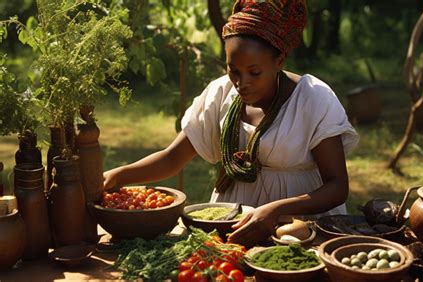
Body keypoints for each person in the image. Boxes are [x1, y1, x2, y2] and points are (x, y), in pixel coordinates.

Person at [103, 0, 359, 246]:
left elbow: (337, 187)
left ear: (279, 61)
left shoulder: (312, 99)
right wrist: (118, 175)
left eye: (254, 72)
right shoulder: (221, 94)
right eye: (233, 70)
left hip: (300, 228)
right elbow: (173, 158)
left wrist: (276, 210)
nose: (241, 82)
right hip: (233, 225)